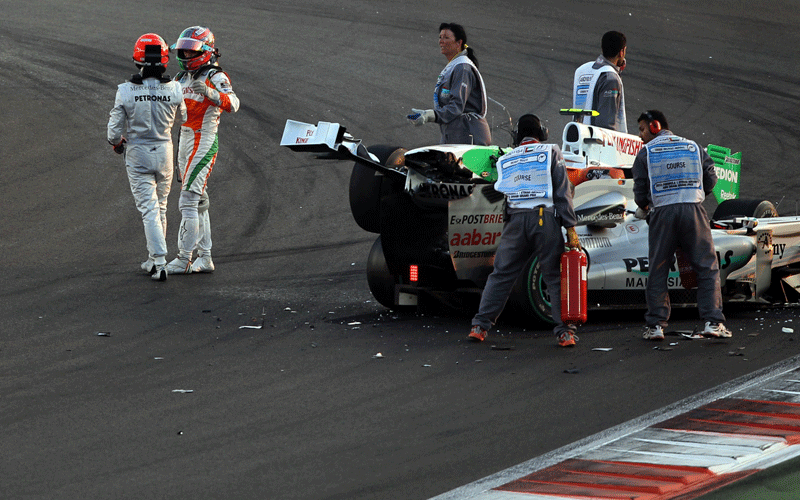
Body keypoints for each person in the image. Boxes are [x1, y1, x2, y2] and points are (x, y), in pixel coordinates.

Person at [468, 114, 581, 347]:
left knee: (501, 275)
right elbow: (562, 191)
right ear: (542, 133)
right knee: (553, 277)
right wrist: (570, 227)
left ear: (518, 136)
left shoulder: (507, 157)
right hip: (544, 219)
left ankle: (479, 326)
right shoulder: (551, 151)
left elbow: (502, 194)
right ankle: (565, 333)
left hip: (515, 222)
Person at [632, 110, 732, 340]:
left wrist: (646, 205)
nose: (640, 136)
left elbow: (639, 193)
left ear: (655, 126)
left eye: (642, 129)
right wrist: (694, 194)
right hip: (693, 210)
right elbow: (711, 179)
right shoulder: (693, 147)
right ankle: (713, 323)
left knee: (658, 269)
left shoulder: (645, 152)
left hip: (662, 213)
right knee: (707, 268)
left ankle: (656, 326)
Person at [107, 33, 187, 281]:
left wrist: (119, 143)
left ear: (137, 60)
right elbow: (184, 119)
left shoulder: (125, 91)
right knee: (160, 207)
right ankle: (153, 260)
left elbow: (112, 133)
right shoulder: (175, 88)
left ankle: (160, 262)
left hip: (138, 153)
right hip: (164, 152)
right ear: (164, 61)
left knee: (149, 210)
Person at [166, 26, 239, 275]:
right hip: (183, 138)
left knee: (187, 199)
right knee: (199, 200)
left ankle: (183, 258)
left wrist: (211, 93)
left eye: (190, 52)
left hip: (203, 139)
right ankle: (205, 257)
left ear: (206, 51)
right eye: (183, 52)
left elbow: (235, 104)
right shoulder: (179, 78)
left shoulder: (215, 76)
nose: (185, 57)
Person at [407, 22, 491, 146]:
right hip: (454, 133)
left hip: (468, 134)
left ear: (459, 43)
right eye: (440, 37)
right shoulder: (454, 66)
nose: (441, 41)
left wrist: (430, 115)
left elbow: (456, 106)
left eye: (446, 37)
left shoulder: (462, 68)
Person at [572, 31, 628, 133]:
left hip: (578, 136)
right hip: (596, 142)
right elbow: (606, 123)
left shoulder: (583, 70)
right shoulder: (611, 78)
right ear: (621, 52)